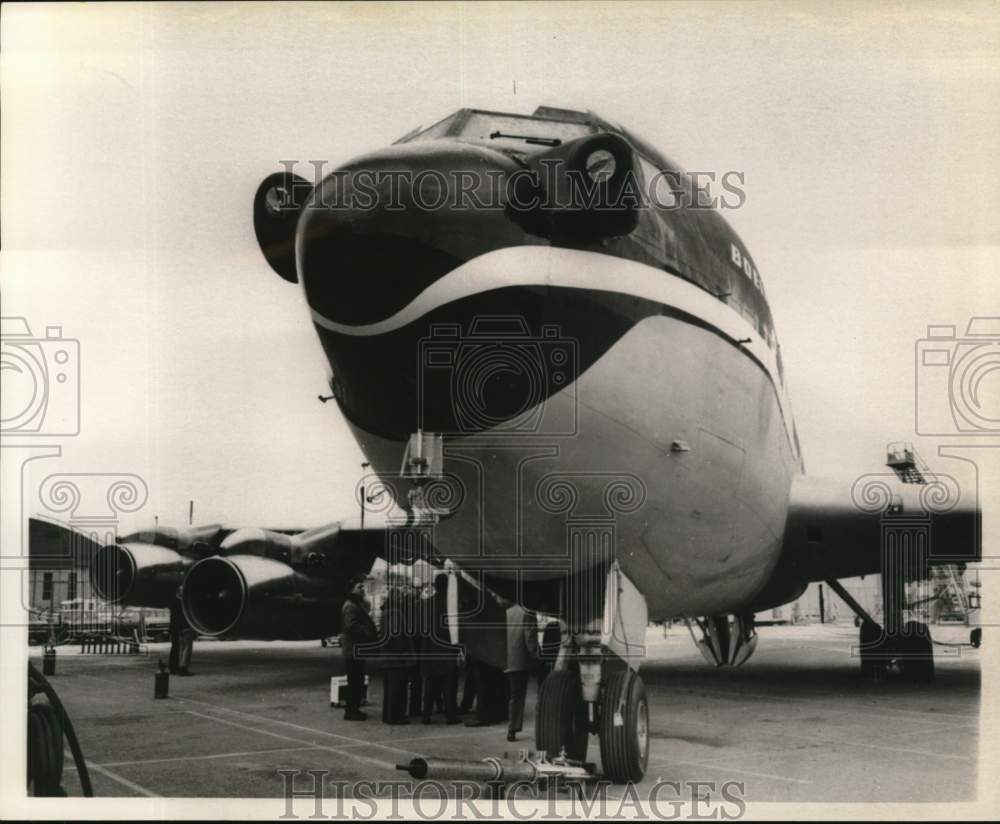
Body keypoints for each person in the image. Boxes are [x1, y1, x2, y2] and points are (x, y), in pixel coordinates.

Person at [418, 575, 461, 725]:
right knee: (449, 685)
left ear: (435, 586)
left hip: (429, 650)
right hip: (447, 650)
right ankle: (450, 716)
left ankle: (426, 715)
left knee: (430, 685)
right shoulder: (452, 605)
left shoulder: (426, 604)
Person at [340, 575, 376, 721]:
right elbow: (351, 626)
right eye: (359, 587)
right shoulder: (350, 605)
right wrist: (366, 629)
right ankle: (351, 711)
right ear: (352, 590)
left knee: (357, 681)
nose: (362, 589)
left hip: (356, 650)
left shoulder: (355, 604)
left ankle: (353, 709)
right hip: (353, 650)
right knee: (355, 681)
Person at [503, 600, 539, 742]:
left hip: (509, 659)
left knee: (514, 696)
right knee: (539, 693)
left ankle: (512, 729)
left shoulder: (507, 612)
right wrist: (536, 656)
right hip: (522, 660)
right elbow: (530, 638)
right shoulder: (528, 612)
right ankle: (539, 728)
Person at [378, 588, 413, 725]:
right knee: (397, 688)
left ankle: (388, 715)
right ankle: (396, 716)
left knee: (389, 688)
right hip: (397, 659)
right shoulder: (396, 612)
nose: (402, 598)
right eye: (399, 596)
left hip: (387, 657)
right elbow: (396, 634)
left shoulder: (385, 612)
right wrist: (403, 652)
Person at [168, 589, 195, 676]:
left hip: (177, 628)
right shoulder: (184, 603)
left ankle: (178, 666)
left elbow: (174, 618)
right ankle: (183, 667)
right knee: (187, 648)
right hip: (185, 627)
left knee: (181, 648)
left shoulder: (173, 602)